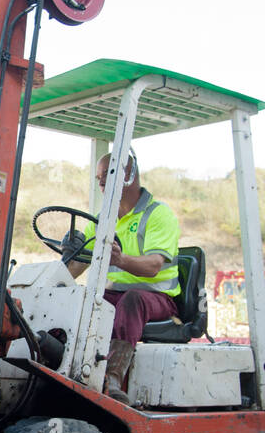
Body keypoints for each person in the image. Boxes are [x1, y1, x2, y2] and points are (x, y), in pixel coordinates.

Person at [63, 149, 181, 401]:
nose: (102, 181)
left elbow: (153, 266)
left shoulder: (157, 214)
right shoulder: (102, 219)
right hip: (116, 294)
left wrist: (121, 259)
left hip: (157, 298)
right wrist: (66, 260)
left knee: (132, 300)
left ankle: (114, 378)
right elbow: (78, 267)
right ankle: (62, 364)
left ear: (130, 173)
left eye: (108, 173)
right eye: (98, 177)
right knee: (83, 300)